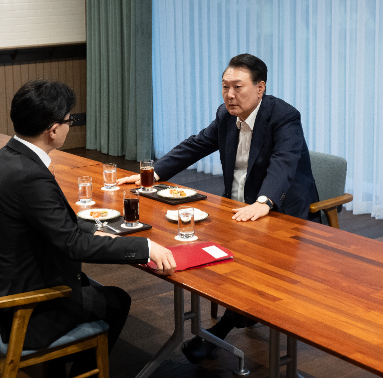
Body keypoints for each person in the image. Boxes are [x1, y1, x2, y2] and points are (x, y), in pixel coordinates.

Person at [118, 53, 320, 364]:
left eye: (237, 87)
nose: (229, 95)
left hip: (280, 212)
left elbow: (283, 164)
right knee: (198, 246)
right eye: (224, 87)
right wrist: (154, 173)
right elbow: (196, 144)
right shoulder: (226, 115)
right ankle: (240, 313)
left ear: (260, 88)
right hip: (236, 208)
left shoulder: (284, 117)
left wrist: (263, 203)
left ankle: (221, 330)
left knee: (251, 263)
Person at [0, 79, 176, 377]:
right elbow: (73, 245)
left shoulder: (1, 158)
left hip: (0, 282)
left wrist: (93, 227)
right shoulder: (30, 175)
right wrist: (145, 247)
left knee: (92, 286)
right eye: (70, 120)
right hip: (24, 308)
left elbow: (48, 220)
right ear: (53, 130)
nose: (71, 126)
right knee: (117, 301)